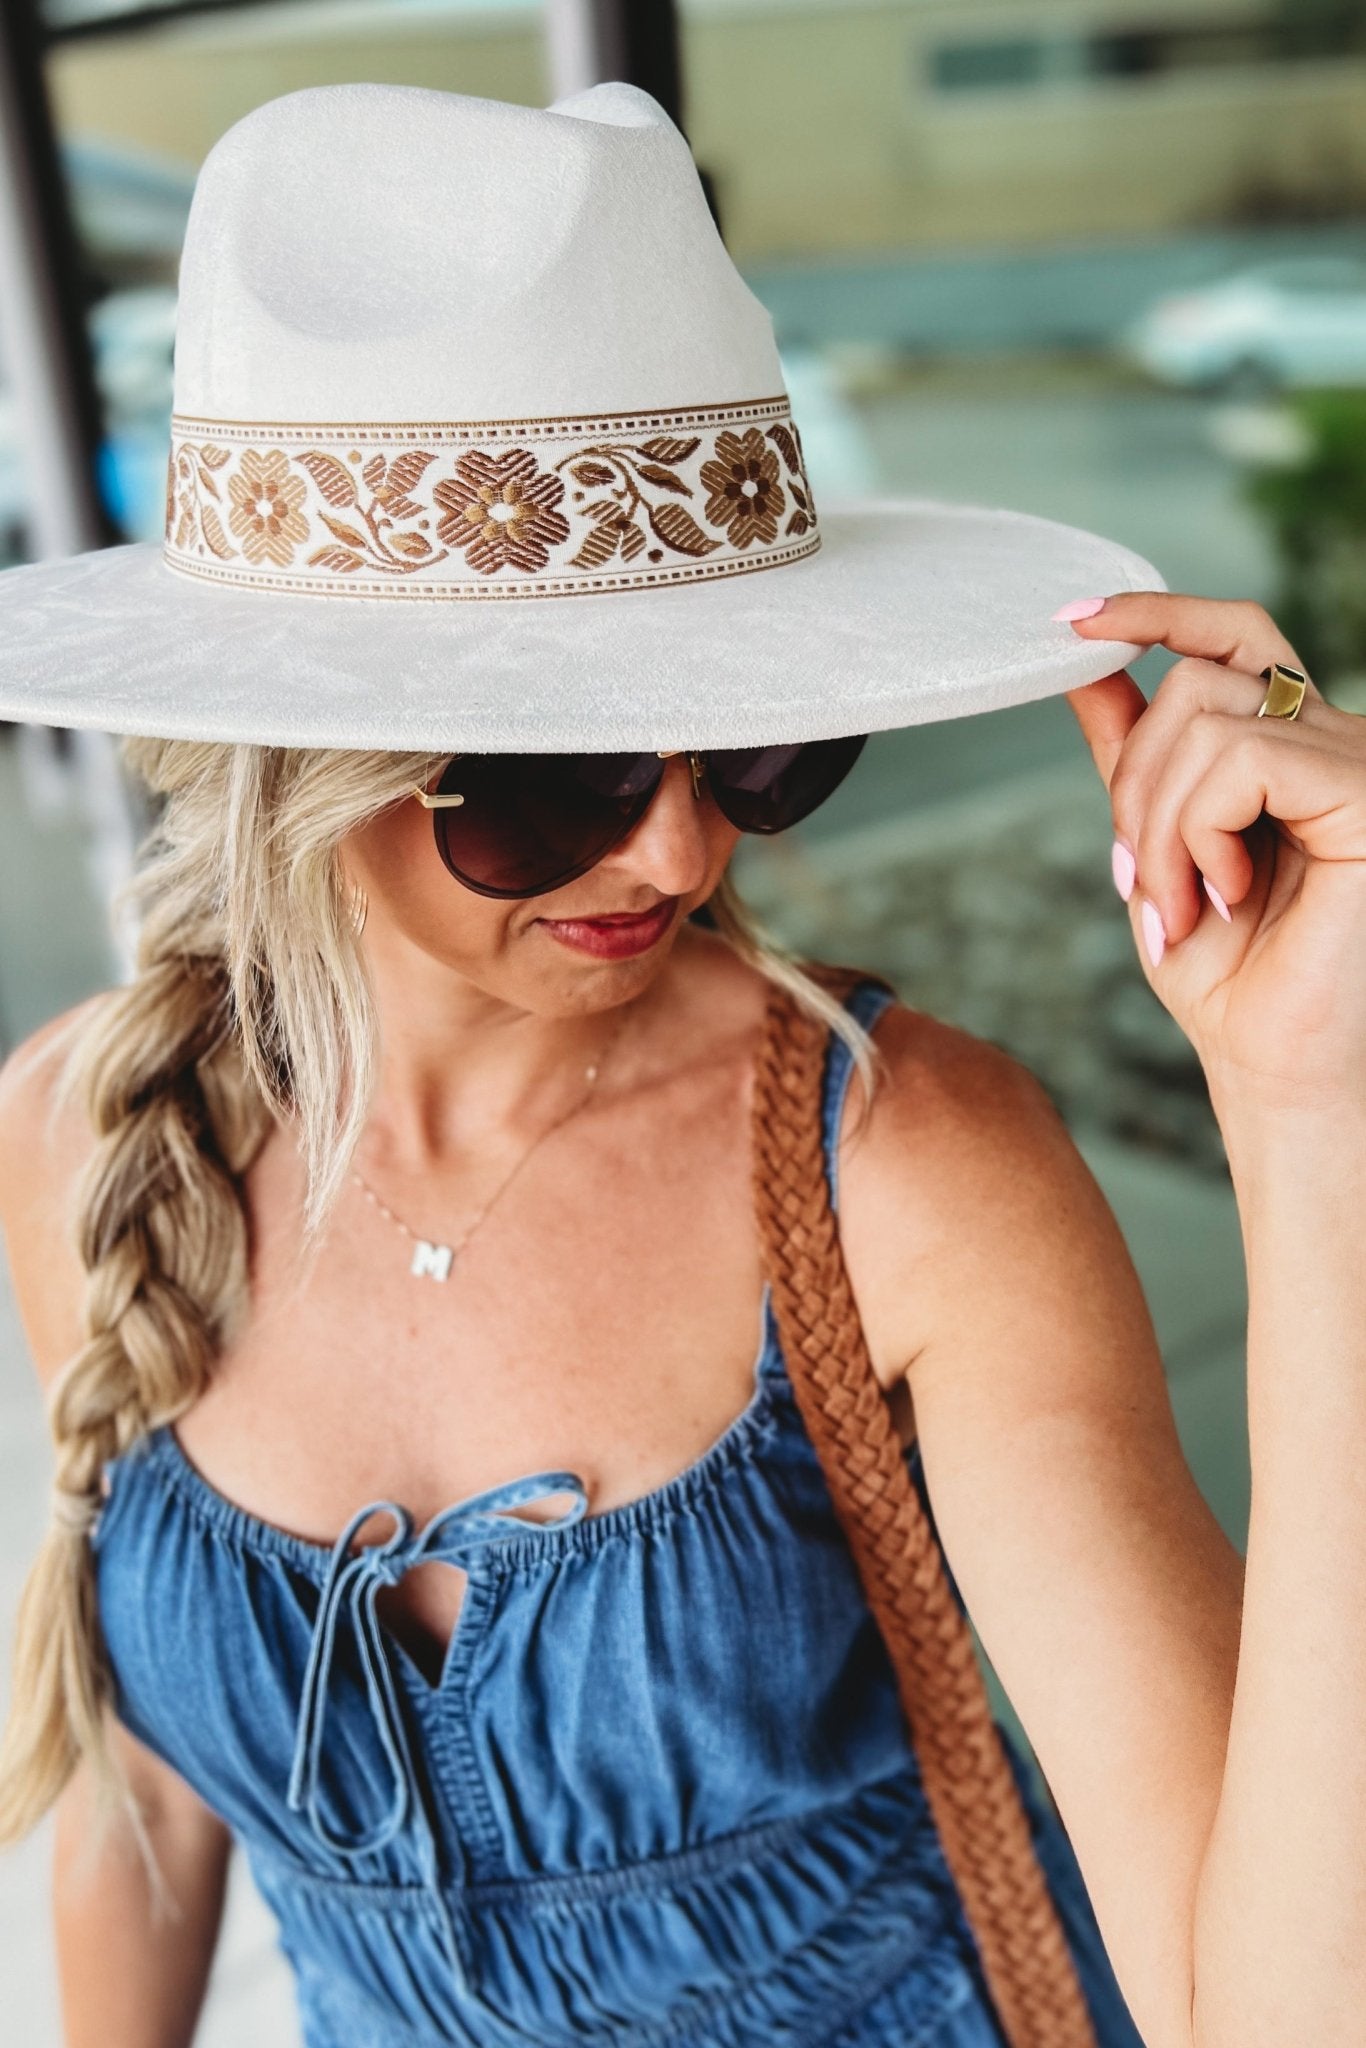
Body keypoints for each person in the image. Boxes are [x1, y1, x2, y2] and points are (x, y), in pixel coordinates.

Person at [1, 76, 1363, 2048]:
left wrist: (1306, 1110)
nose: (681, 850)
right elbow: (143, 1788)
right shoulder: (82, 1141)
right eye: (553, 779)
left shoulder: (901, 1173)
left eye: (747, 743)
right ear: (291, 749)